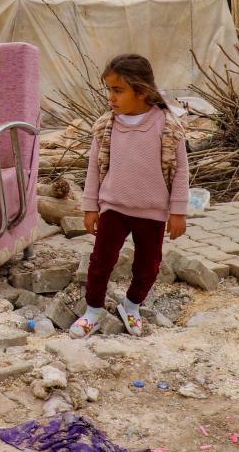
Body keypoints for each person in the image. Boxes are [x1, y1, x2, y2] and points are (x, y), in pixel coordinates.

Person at [69, 53, 189, 338]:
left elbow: (181, 171)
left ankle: (132, 306)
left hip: (152, 212)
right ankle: (93, 312)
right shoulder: (106, 126)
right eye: (109, 89)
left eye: (118, 90)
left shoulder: (167, 126)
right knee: (100, 263)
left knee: (148, 266)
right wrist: (90, 207)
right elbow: (94, 170)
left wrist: (178, 212)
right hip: (113, 208)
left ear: (142, 92)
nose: (111, 97)